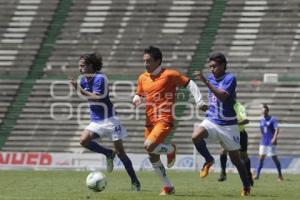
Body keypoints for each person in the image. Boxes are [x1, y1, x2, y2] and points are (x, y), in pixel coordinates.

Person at [132, 46, 205, 195]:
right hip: (149, 121)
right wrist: (137, 98)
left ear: (158, 61)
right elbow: (139, 93)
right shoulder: (142, 77)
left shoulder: (170, 74)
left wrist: (199, 101)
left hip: (164, 119)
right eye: (144, 61)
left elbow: (190, 83)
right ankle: (168, 187)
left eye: (149, 61)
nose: (145, 64)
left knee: (148, 146)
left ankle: (171, 149)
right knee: (152, 155)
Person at [69, 53, 141, 191]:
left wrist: (77, 88)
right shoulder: (84, 80)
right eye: (79, 66)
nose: (80, 69)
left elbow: (96, 98)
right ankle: (108, 153)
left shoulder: (100, 78)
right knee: (83, 140)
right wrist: (79, 87)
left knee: (121, 153)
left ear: (91, 65)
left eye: (83, 66)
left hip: (111, 120)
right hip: (96, 120)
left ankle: (135, 182)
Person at [192, 52, 251, 196]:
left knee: (236, 160)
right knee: (195, 136)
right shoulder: (211, 78)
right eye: (210, 66)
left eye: (214, 66)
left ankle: (246, 187)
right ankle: (209, 160)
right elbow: (214, 100)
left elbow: (223, 97)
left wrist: (206, 82)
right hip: (212, 119)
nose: (212, 69)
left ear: (223, 65)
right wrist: (204, 105)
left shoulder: (230, 78)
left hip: (229, 125)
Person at [217, 101, 254, 186]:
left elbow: (246, 120)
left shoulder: (239, 106)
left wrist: (235, 124)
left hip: (240, 133)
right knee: (223, 151)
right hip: (228, 133)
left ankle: (248, 174)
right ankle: (223, 172)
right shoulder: (223, 106)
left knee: (243, 155)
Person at [253, 103, 283, 181]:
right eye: (262, 109)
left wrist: (274, 138)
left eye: (265, 109)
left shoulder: (273, 119)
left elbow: (277, 129)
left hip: (271, 143)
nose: (263, 111)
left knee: (274, 158)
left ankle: (280, 175)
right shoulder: (261, 120)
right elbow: (262, 131)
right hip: (263, 142)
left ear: (267, 110)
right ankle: (257, 175)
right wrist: (262, 138)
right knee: (261, 158)